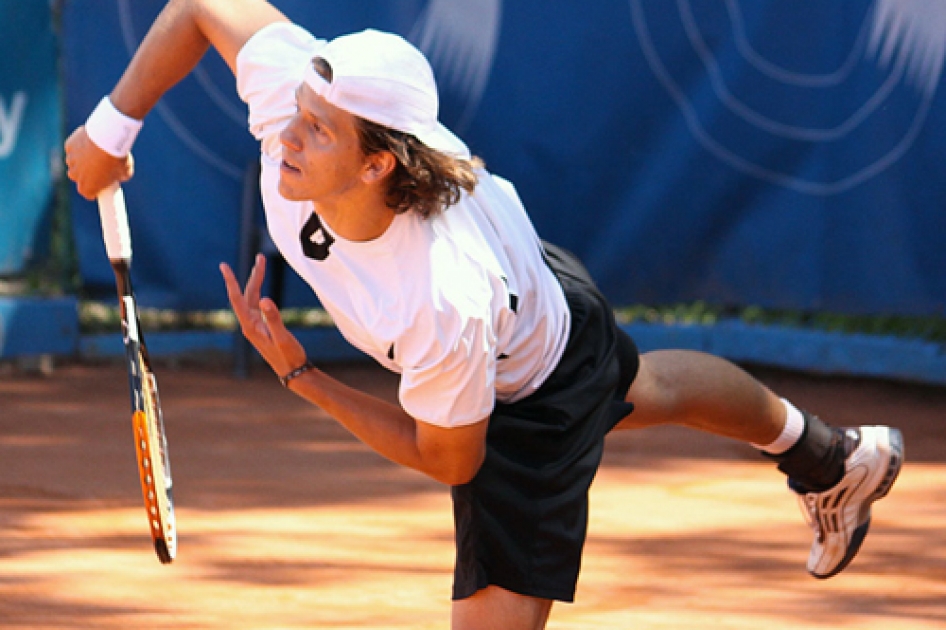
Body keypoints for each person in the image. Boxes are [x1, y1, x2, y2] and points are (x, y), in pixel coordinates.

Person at [65, 1, 904, 628]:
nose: (286, 134)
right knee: (642, 386)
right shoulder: (306, 104)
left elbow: (452, 460)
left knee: (608, 398)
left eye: (316, 132)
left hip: (526, 395)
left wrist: (300, 373)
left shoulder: (438, 298)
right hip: (539, 287)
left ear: (376, 165)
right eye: (297, 114)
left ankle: (825, 456)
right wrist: (111, 130)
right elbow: (201, 5)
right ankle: (831, 457)